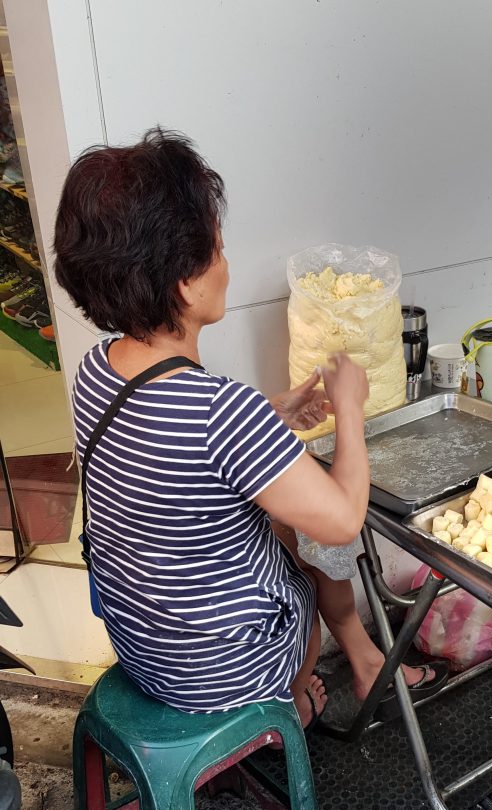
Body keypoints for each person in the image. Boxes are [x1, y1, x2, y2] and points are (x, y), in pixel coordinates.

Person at [54, 127, 446, 727]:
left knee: (271, 519)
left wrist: (273, 415)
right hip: (222, 673)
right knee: (301, 538)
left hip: (144, 651)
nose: (228, 267)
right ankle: (285, 705)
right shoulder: (220, 410)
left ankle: (354, 665)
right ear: (186, 284)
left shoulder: (95, 371)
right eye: (218, 250)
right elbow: (342, 519)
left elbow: (177, 444)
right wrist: (350, 409)